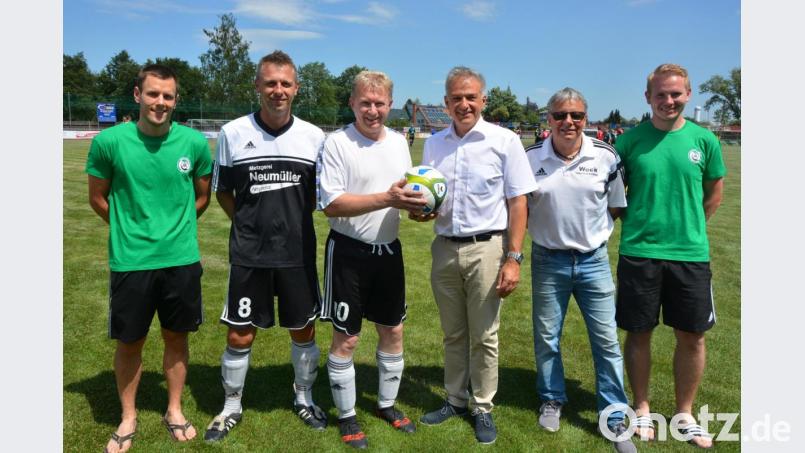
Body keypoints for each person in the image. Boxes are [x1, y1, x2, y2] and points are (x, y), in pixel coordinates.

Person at [86, 64, 212, 453]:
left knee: (177, 338)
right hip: (131, 262)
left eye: (168, 96)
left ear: (176, 101)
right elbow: (97, 197)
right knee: (130, 342)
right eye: (153, 94)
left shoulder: (194, 144)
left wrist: (174, 230)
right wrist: (129, 228)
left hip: (181, 260)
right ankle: (128, 416)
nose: (160, 102)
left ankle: (174, 409)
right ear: (138, 95)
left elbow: (202, 196)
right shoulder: (109, 142)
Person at [205, 50, 328, 441]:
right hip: (249, 255)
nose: (278, 90)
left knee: (303, 329)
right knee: (239, 333)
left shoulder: (314, 137)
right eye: (270, 83)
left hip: (296, 254)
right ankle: (231, 405)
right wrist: (249, 223)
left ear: (296, 88)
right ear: (258, 86)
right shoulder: (233, 133)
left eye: (285, 83)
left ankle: (304, 397)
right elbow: (224, 192)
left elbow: (313, 198)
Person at [414, 66, 538, 444]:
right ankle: (454, 398)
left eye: (471, 97)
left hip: (488, 248)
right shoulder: (435, 143)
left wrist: (513, 258)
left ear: (483, 100)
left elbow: (518, 202)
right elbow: (427, 197)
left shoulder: (504, 141)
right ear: (446, 102)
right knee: (453, 333)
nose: (464, 104)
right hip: (444, 248)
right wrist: (421, 209)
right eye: (456, 98)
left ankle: (482, 406)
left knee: (484, 335)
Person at [614, 63, 726, 448]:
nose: (668, 100)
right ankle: (641, 407)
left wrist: (690, 226)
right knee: (639, 331)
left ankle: (684, 413)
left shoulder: (704, 140)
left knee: (692, 337)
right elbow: (615, 197)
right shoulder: (628, 142)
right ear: (648, 97)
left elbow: (713, 194)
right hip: (639, 252)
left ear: (688, 95)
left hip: (690, 255)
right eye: (660, 94)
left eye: (675, 94)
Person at [318, 70, 426, 449]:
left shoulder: (399, 143)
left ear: (390, 105)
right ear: (352, 103)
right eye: (365, 102)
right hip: (348, 252)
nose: (373, 110)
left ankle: (387, 404)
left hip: (389, 252)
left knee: (393, 330)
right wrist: (388, 198)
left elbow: (406, 193)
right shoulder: (336, 143)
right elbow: (331, 205)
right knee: (347, 339)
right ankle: (347, 415)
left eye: (380, 103)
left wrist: (418, 209)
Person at [525, 88, 635, 453]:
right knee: (546, 336)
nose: (568, 122)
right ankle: (552, 398)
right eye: (560, 115)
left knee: (605, 341)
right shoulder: (530, 158)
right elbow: (518, 209)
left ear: (586, 119)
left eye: (576, 115)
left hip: (593, 260)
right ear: (548, 119)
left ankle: (615, 416)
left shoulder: (605, 155)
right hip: (547, 260)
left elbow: (617, 205)